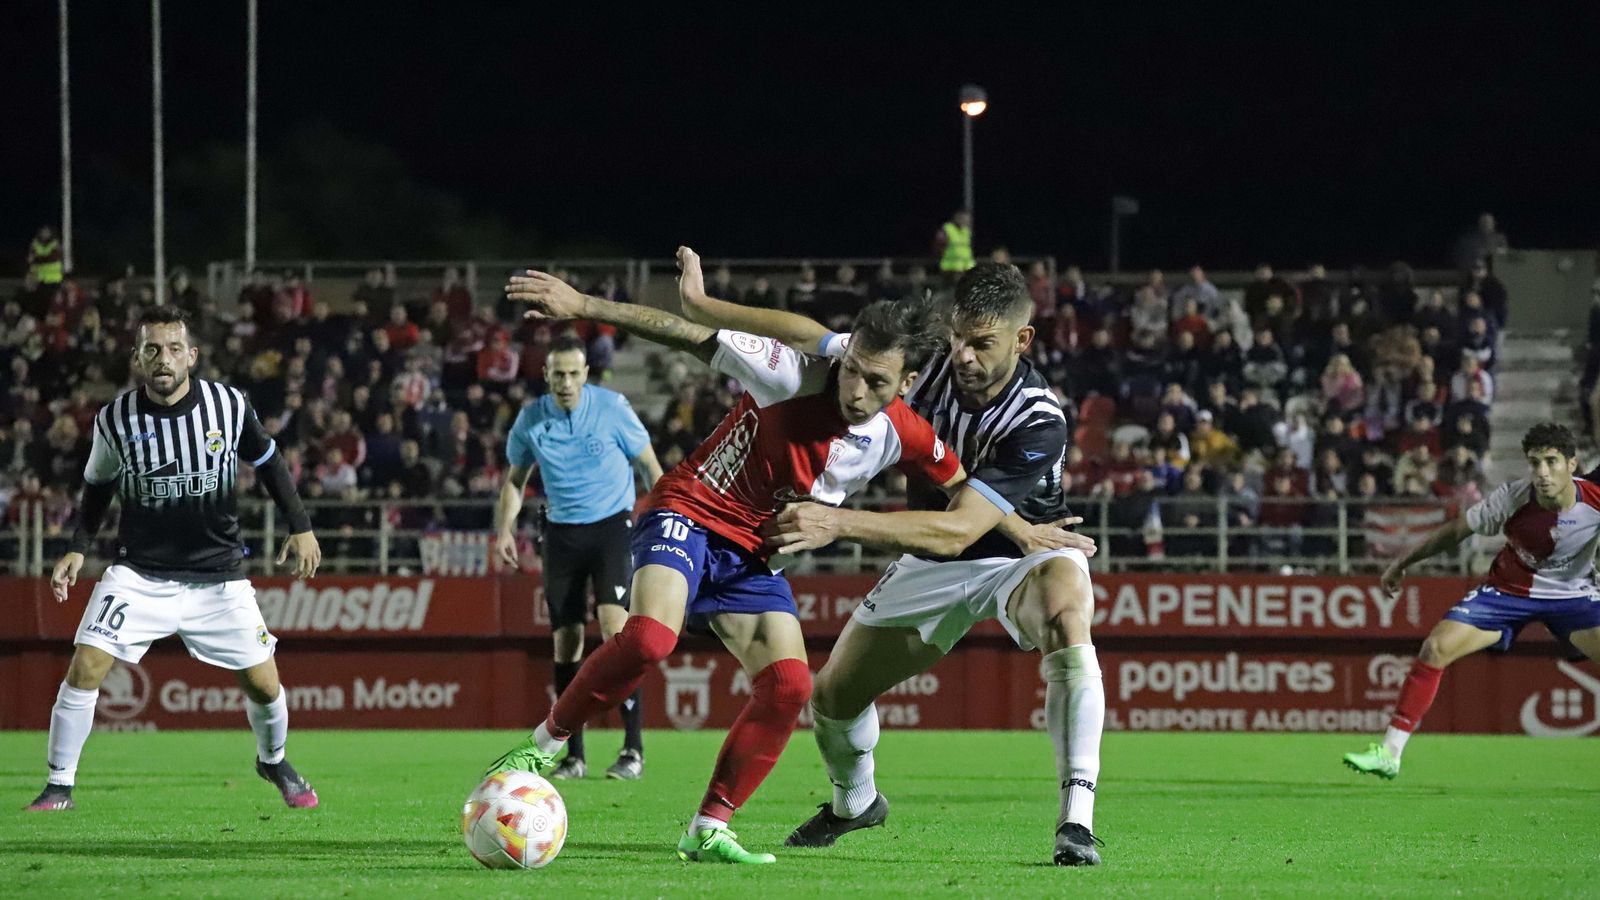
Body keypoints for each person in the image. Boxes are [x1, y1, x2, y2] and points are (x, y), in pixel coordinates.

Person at [488, 248, 1083, 864]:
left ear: (906, 385)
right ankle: (544, 743)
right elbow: (686, 335)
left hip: (753, 553)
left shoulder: (907, 432)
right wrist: (584, 306)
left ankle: (710, 826)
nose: (855, 389)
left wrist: (1024, 531)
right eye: (851, 370)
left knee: (791, 685)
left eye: (875, 382)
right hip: (691, 510)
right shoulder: (790, 373)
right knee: (648, 641)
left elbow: (963, 489)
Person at [677, 258, 1107, 866]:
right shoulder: (913, 366)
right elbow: (804, 334)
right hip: (928, 557)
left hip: (1021, 550)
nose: (963, 355)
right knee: (831, 698)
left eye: (981, 344)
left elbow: (961, 528)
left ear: (1022, 340)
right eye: (958, 337)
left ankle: (1077, 821)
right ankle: (855, 802)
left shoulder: (1037, 420)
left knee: (1067, 618)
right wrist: (702, 304)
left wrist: (837, 522)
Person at [27, 305, 323, 812]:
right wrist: (78, 546)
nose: (162, 359)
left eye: (171, 349)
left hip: (219, 576)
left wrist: (302, 528)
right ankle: (59, 785)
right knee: (86, 665)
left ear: (191, 356)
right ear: (138, 358)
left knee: (264, 683)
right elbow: (97, 487)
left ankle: (272, 759)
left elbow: (269, 461)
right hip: (139, 573)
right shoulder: (114, 419)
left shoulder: (227, 406)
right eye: (151, 350)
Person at [1343, 424, 1600, 780]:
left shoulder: (1595, 499)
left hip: (1574, 597)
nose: (1542, 473)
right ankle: (1390, 753)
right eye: (1535, 463)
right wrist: (1403, 562)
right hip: (1508, 593)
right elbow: (1456, 531)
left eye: (1551, 462)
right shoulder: (1513, 498)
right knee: (1435, 647)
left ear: (1573, 465)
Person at [495, 334, 663, 781]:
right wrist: (506, 529)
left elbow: (650, 465)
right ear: (546, 375)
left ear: (587, 374)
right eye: (558, 374)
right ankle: (573, 754)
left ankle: (632, 748)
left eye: (574, 373)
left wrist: (665, 516)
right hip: (562, 536)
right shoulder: (531, 419)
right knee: (565, 642)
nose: (566, 382)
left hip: (611, 528)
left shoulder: (612, 409)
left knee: (616, 630)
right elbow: (515, 480)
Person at [934, 209, 975, 281]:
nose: (966, 221)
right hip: (951, 267)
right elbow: (938, 246)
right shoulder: (947, 229)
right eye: (963, 219)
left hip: (966, 267)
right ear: (957, 218)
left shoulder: (966, 231)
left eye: (967, 219)